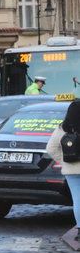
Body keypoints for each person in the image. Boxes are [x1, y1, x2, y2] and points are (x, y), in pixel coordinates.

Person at [46, 101, 80, 244]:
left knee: (78, 200)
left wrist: (65, 160)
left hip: (71, 170)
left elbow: (51, 148)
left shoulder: (63, 128)